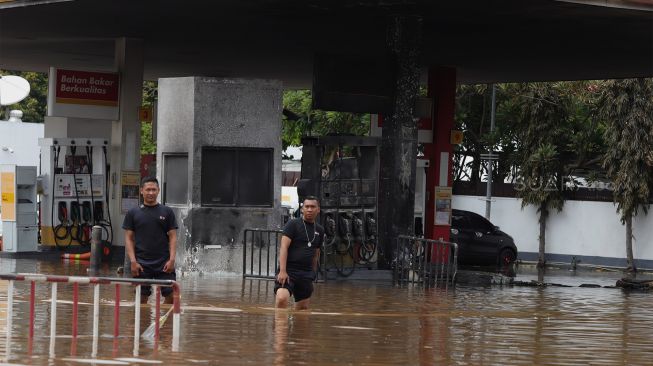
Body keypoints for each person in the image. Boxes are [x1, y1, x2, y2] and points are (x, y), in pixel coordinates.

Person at [123, 176, 178, 304]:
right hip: (141, 263)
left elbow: (173, 237)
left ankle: (164, 323)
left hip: (164, 263)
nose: (151, 193)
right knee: (141, 299)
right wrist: (133, 262)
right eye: (148, 190)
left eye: (154, 190)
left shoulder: (167, 212)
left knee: (171, 297)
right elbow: (129, 238)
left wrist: (172, 260)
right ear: (141, 191)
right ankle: (142, 323)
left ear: (158, 190)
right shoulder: (133, 213)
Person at [275, 196, 324, 310]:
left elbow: (316, 252)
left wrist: (313, 272)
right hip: (289, 270)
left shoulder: (320, 230)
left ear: (318, 209)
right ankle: (280, 327)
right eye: (307, 207)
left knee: (303, 308)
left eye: (313, 207)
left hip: (306, 273)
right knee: (282, 298)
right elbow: (283, 247)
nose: (309, 209)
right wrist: (282, 271)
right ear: (302, 209)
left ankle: (299, 327)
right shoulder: (293, 224)